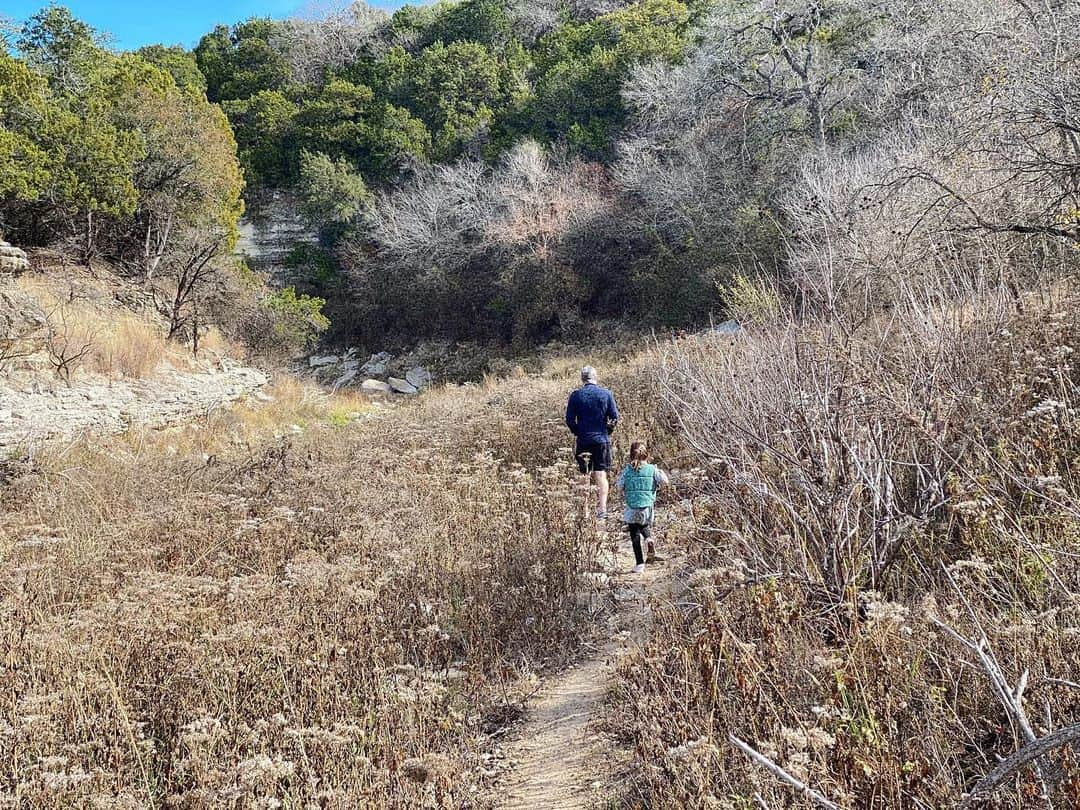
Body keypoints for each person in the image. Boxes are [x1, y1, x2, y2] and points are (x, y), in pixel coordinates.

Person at [565, 365, 619, 520]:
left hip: (584, 439)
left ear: (583, 378)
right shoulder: (606, 394)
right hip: (601, 439)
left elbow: (569, 420)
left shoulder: (576, 396)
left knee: (585, 475)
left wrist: (577, 431)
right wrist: (607, 431)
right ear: (595, 377)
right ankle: (602, 510)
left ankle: (585, 510)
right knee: (601, 475)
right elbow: (614, 417)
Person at [616, 441, 669, 574]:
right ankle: (649, 539)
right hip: (647, 506)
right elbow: (664, 481)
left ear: (630, 455)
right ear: (647, 455)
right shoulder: (652, 469)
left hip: (632, 505)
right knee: (643, 524)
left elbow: (619, 485)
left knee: (634, 533)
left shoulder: (628, 470)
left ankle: (639, 564)